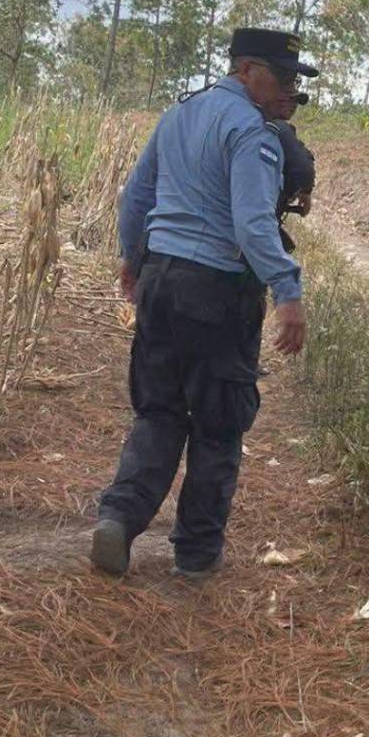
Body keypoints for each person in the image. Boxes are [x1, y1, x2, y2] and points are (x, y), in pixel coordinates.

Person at [91, 28, 318, 579]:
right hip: (216, 290)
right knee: (218, 426)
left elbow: (138, 193)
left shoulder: (179, 115)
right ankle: (195, 557)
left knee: (160, 410)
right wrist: (287, 291)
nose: (289, 88)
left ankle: (119, 518)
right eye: (281, 76)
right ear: (246, 71)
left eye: (295, 80)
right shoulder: (250, 133)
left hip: (161, 281)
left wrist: (132, 257)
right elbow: (252, 223)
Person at [272, 92, 315, 252]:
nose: (294, 106)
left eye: (297, 102)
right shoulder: (278, 127)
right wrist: (305, 192)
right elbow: (303, 168)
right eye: (290, 100)